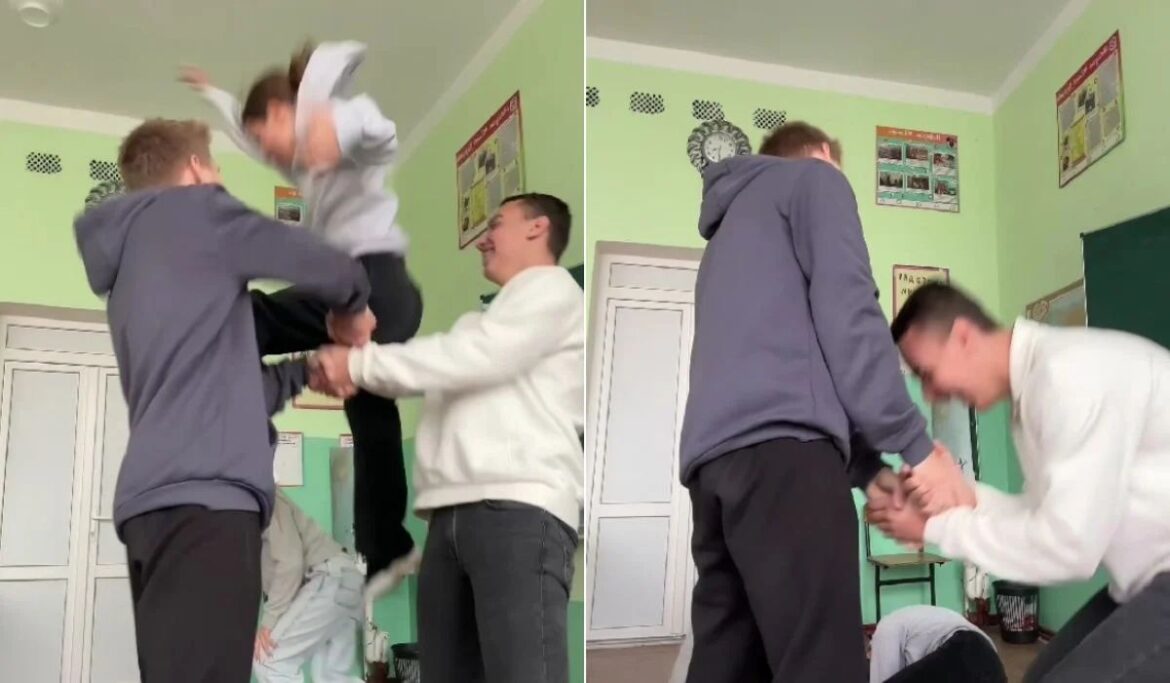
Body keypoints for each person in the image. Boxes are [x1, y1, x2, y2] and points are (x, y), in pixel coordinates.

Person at [73, 118, 370, 682]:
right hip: (207, 506)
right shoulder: (196, 213)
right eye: (214, 166)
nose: (218, 179)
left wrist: (306, 370)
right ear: (194, 169)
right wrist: (354, 308)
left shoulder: (131, 270)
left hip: (151, 509)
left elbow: (230, 391)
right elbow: (325, 263)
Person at [677, 120, 958, 682]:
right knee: (820, 665)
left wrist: (869, 470)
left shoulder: (727, 237)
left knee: (729, 663)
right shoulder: (816, 181)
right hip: (789, 463)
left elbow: (800, 355)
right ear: (823, 154)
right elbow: (848, 313)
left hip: (714, 474)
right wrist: (918, 447)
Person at [180, 40, 424, 600]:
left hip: (378, 282)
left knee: (254, 317)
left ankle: (203, 385)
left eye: (268, 137)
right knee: (370, 414)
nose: (271, 154)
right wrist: (212, 92)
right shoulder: (295, 157)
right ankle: (389, 547)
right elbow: (246, 133)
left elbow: (380, 131)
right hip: (356, 291)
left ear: (283, 113)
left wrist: (336, 130)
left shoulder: (335, 124)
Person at [310, 193, 583, 683]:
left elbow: (473, 357)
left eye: (496, 224)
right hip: (448, 520)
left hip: (519, 511)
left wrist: (356, 364)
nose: (482, 239)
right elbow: (439, 363)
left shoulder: (553, 290)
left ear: (537, 228)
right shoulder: (478, 324)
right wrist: (353, 356)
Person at [870, 281, 1170, 682]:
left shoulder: (1066, 376)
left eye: (926, 374)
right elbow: (1043, 515)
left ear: (963, 337)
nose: (930, 394)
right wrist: (961, 498)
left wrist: (933, 526)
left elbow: (1069, 547)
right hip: (1142, 583)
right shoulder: (1035, 389)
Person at [253, 491, 365, 683]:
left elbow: (290, 563)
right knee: (331, 677)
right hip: (345, 580)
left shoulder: (264, 496)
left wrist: (269, 621)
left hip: (328, 580)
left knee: (270, 661)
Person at [869, 606, 1004, 683]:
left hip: (966, 652)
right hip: (992, 664)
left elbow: (882, 676)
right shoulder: (913, 621)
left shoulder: (884, 630)